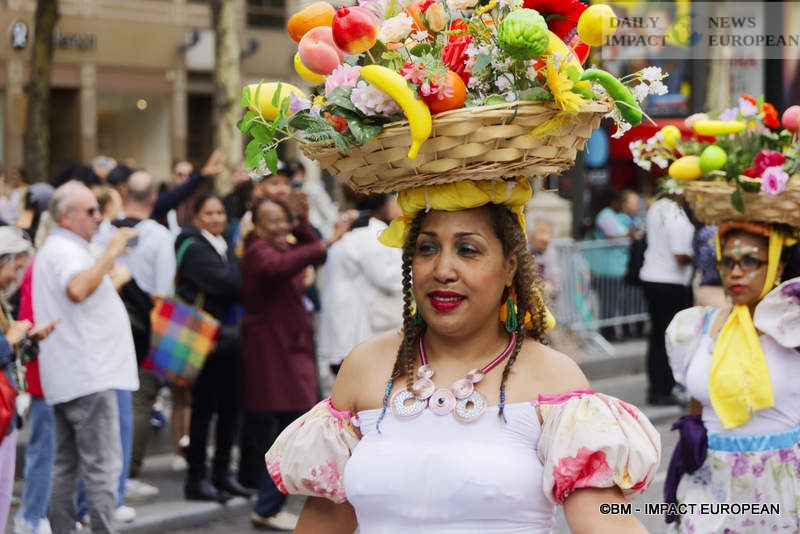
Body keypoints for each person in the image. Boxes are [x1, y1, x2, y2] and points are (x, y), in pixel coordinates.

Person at [265, 179, 660, 533]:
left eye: (468, 250)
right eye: (427, 249)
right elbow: (327, 519)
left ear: (510, 268)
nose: (443, 269)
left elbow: (602, 519)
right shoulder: (364, 367)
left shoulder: (553, 379)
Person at [664, 220, 800, 532]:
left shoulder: (793, 326)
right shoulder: (696, 327)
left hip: (775, 487)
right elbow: (697, 406)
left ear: (778, 265)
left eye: (750, 261)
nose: (736, 272)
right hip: (707, 482)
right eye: (728, 261)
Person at [241, 198, 354, 530]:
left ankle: (270, 503)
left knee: (294, 426)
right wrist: (325, 240)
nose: (282, 227)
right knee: (295, 428)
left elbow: (304, 248)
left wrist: (301, 219)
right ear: (257, 226)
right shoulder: (258, 250)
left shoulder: (279, 245)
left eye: (284, 220)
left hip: (288, 351)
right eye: (273, 221)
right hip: (272, 354)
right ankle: (267, 505)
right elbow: (282, 265)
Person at [32, 181, 138, 534]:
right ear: (66, 216)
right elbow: (77, 289)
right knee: (102, 467)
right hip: (88, 374)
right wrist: (111, 253)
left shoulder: (61, 247)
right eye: (90, 211)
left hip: (74, 373)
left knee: (68, 463)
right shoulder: (65, 249)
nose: (98, 217)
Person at [92, 170, 176, 504]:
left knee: (112, 404)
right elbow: (165, 291)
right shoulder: (158, 235)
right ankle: (124, 476)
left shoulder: (102, 233)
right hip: (144, 329)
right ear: (154, 198)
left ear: (123, 193)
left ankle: (110, 477)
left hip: (104, 327)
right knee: (138, 402)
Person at [175, 194, 250, 503]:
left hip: (230, 339)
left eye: (220, 212)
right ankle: (196, 479)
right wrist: (240, 275)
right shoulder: (194, 248)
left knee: (231, 408)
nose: (217, 218)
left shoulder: (223, 245)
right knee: (203, 410)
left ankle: (221, 474)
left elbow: (234, 279)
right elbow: (230, 284)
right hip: (204, 340)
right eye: (209, 213)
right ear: (197, 217)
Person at [0, 228, 56, 533]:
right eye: (15, 267)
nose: (15, 276)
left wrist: (28, 339)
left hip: (5, 411)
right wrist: (10, 339)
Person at [317, 193, 403, 376]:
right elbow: (391, 277)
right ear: (384, 203)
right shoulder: (371, 232)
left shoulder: (355, 225)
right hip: (355, 324)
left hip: (348, 322)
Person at [639, 194, 695, 406]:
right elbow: (680, 253)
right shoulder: (674, 212)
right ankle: (663, 388)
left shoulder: (657, 207)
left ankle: (658, 387)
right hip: (669, 281)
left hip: (654, 276)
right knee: (668, 337)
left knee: (657, 337)